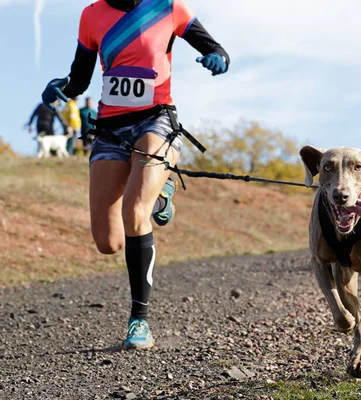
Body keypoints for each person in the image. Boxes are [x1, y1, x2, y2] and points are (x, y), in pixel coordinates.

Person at [41, 0, 229, 349]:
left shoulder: (169, 7)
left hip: (155, 119)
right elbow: (80, 79)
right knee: (107, 242)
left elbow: (215, 47)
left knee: (136, 211)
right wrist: (59, 90)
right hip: (110, 130)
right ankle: (162, 184)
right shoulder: (91, 15)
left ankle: (139, 321)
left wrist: (218, 58)